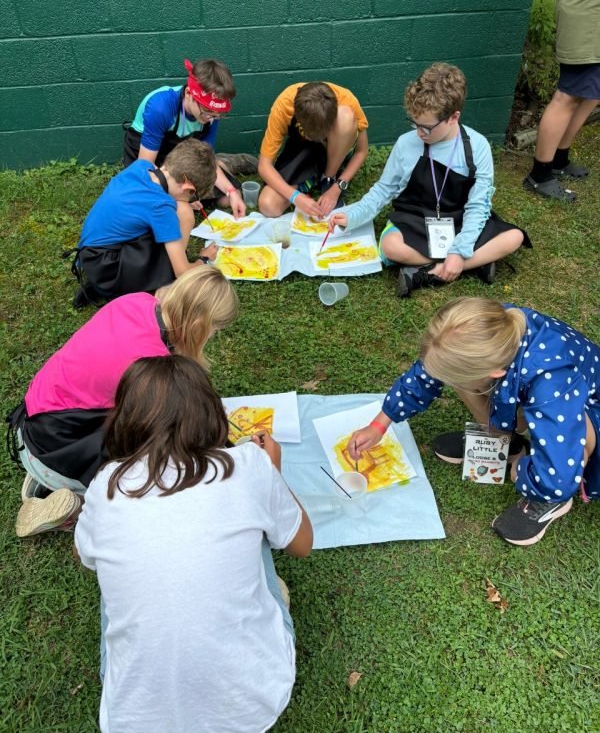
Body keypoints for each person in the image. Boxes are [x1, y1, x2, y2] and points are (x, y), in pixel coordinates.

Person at [74, 355, 312, 733]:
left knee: (110, 578)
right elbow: (302, 545)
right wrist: (273, 474)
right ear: (210, 413)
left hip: (133, 718)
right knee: (264, 535)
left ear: (125, 420)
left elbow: (84, 555)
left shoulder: (106, 485)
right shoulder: (248, 465)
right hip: (254, 703)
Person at [347, 298, 599, 546]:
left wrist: (524, 472)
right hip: (540, 391)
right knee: (457, 373)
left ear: (496, 373)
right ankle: (502, 443)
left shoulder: (551, 382)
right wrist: (380, 424)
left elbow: (561, 467)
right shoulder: (489, 329)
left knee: (565, 442)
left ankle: (547, 502)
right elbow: (429, 370)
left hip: (584, 412)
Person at [7, 267, 239, 538]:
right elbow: (171, 432)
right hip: (55, 449)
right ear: (199, 326)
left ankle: (52, 487)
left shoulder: (136, 301)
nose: (213, 336)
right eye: (215, 330)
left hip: (35, 423)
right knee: (162, 463)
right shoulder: (155, 366)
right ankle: (77, 507)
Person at [329, 63, 531, 298]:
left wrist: (460, 249)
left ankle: (435, 270)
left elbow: (478, 206)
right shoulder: (406, 144)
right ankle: (475, 262)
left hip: (459, 218)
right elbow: (384, 189)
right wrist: (354, 215)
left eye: (426, 127)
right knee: (390, 246)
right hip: (416, 218)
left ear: (453, 117)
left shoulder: (477, 146)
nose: (419, 133)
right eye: (414, 123)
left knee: (514, 237)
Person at [72, 139, 219, 306]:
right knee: (185, 213)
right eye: (194, 196)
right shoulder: (161, 207)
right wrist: (203, 259)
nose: (192, 200)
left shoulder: (141, 166)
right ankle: (130, 288)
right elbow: (183, 272)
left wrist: (184, 200)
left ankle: (115, 284)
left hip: (89, 256)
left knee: (181, 211)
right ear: (188, 188)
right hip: (107, 268)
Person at [523, 0, 599, 202]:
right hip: (588, 16)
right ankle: (539, 174)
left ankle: (559, 158)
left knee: (591, 93)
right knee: (569, 94)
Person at [124, 57, 252, 216]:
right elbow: (146, 165)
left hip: (181, 152)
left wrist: (231, 191)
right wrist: (179, 197)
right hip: (147, 152)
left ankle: (222, 163)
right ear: (189, 94)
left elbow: (203, 157)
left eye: (218, 115)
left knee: (227, 199)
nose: (212, 119)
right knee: (151, 198)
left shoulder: (212, 115)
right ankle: (225, 163)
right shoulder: (161, 107)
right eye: (207, 112)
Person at [257, 81, 369, 218]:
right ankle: (309, 180)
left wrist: (337, 187)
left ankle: (328, 179)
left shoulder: (346, 99)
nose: (311, 137)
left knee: (345, 116)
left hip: (336, 151)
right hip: (304, 151)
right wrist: (295, 197)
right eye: (307, 132)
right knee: (268, 204)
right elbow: (264, 165)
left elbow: (361, 151)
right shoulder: (285, 103)